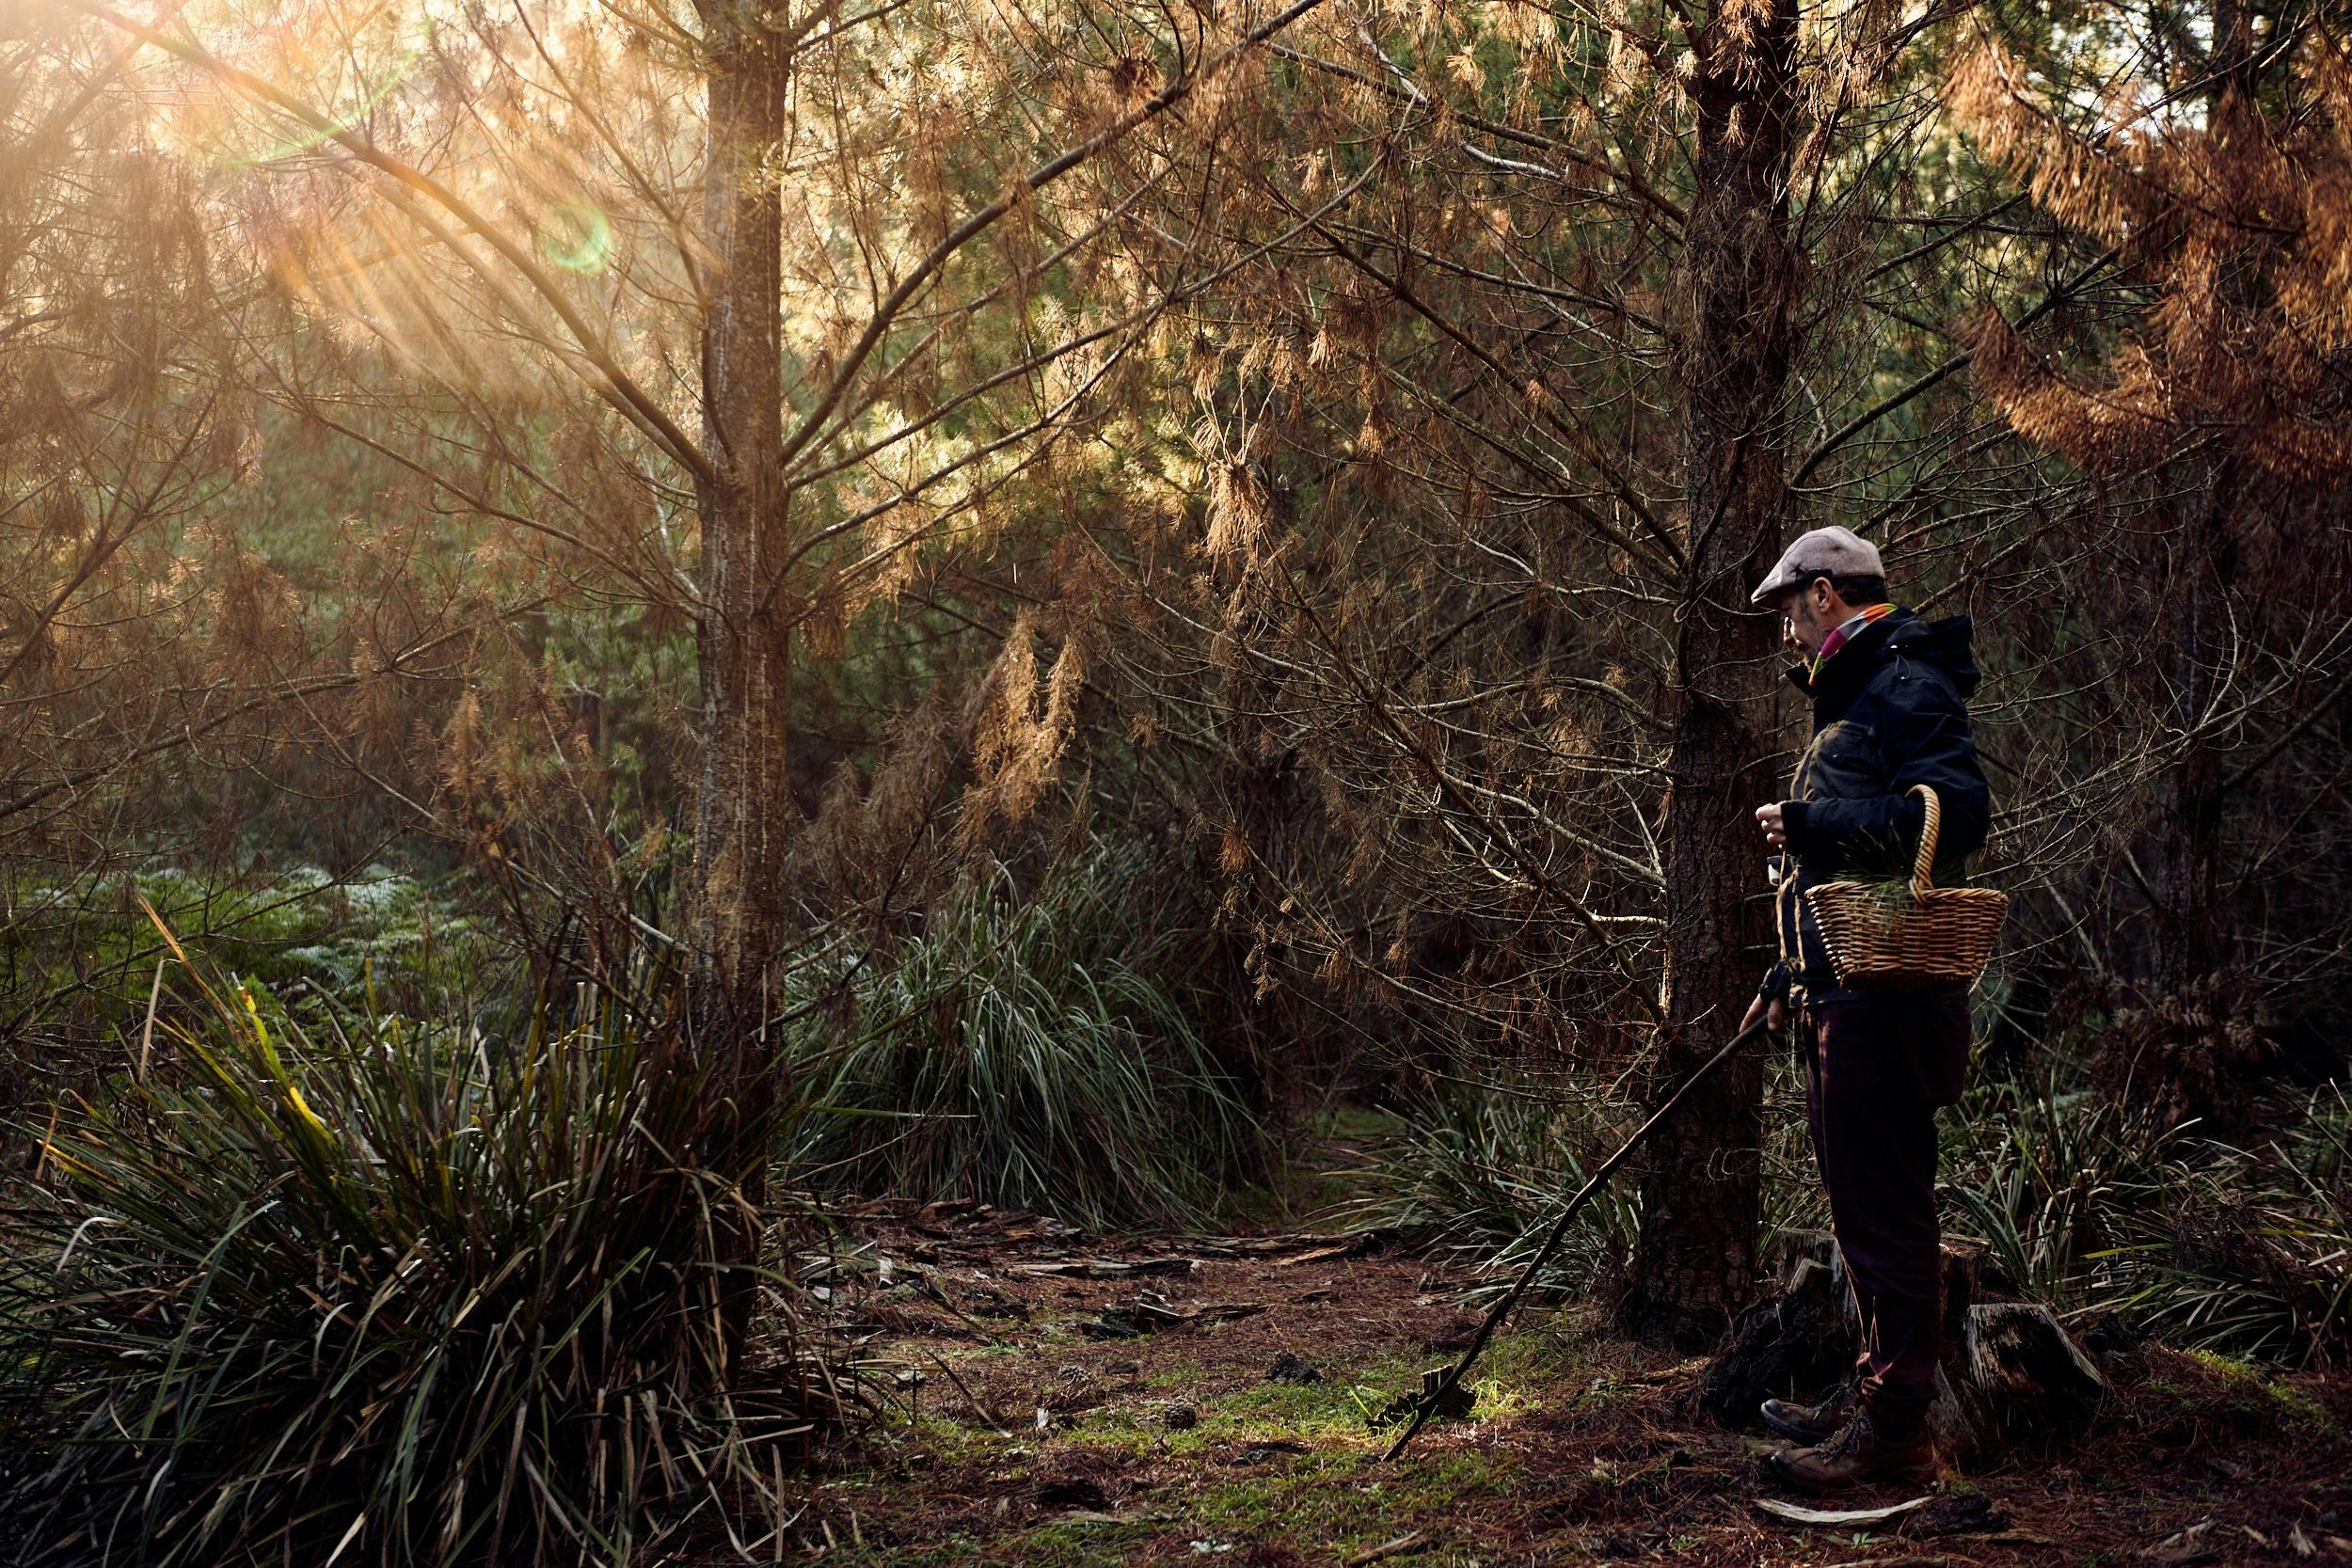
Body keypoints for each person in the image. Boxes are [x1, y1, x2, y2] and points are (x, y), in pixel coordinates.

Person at [1739, 525, 1993, 1492]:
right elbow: (1840, 869)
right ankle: (1872, 1396)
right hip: (1845, 991)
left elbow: (1956, 811)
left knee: (1886, 1221)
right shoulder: (1862, 688)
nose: (1788, 637)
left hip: (1889, 1001)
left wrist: (1813, 820)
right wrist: (1785, 978)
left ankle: (1891, 1439)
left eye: (1788, 615)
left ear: (1825, 595)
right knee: (1865, 1216)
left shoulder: (1905, 680)